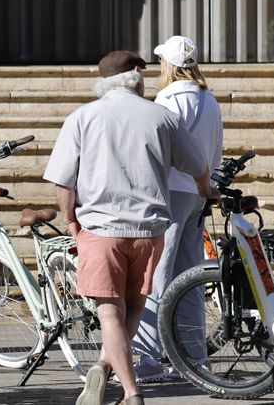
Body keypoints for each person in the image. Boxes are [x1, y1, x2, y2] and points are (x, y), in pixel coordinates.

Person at [43, 50, 212, 405]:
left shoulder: (82, 117)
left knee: (109, 313)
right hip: (149, 231)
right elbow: (198, 165)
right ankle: (106, 366)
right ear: (137, 76)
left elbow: (63, 183)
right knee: (133, 307)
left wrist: (71, 220)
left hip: (100, 229)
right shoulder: (161, 117)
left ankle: (132, 392)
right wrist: (206, 192)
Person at [133, 36, 223, 382]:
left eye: (161, 62)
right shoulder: (209, 99)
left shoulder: (168, 99)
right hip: (199, 192)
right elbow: (215, 150)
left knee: (156, 273)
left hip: (170, 190)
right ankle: (195, 356)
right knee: (191, 275)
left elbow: (160, 148)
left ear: (169, 65)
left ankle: (150, 358)